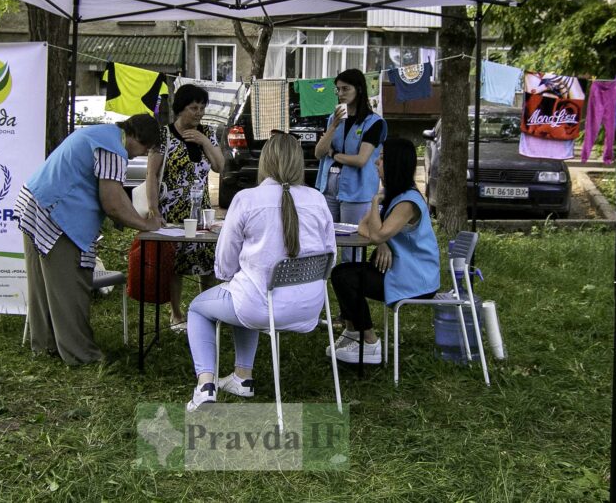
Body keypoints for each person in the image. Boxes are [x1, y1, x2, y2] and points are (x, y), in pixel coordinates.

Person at [185, 132, 335, 411]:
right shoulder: (317, 199)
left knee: (198, 308)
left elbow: (225, 264)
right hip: (309, 309)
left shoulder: (247, 199)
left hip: (259, 305)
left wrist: (234, 275)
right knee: (245, 291)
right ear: (299, 163)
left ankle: (206, 384)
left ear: (265, 161)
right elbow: (331, 257)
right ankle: (242, 377)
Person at [15, 114, 162, 366]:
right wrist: (145, 224)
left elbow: (112, 195)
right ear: (136, 137)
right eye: (144, 149)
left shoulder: (103, 134)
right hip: (56, 213)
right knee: (69, 287)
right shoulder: (113, 148)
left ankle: (45, 345)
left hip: (35, 202)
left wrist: (128, 216)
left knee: (43, 285)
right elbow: (113, 203)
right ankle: (82, 356)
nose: (138, 156)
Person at [327, 137, 439, 365]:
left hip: (416, 279)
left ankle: (368, 342)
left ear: (395, 163)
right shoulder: (395, 196)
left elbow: (376, 232)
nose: (376, 163)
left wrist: (375, 200)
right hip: (400, 271)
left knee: (345, 277)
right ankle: (353, 333)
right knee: (343, 273)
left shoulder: (407, 202)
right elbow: (363, 227)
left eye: (381, 159)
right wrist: (382, 243)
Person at [146, 83, 224, 332]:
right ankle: (176, 315)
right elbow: (151, 174)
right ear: (181, 109)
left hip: (200, 211)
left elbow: (219, 166)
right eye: (193, 108)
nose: (199, 112)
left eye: (202, 107)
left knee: (206, 262)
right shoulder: (164, 135)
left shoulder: (208, 132)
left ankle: (209, 313)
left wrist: (204, 142)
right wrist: (153, 210)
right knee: (175, 265)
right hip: (171, 210)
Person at [314, 68, 387, 261]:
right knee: (324, 242)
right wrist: (333, 126)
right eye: (337, 90)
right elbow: (319, 152)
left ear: (359, 89)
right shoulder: (333, 119)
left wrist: (335, 154)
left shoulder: (374, 123)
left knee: (352, 246)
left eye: (345, 89)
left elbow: (361, 160)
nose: (341, 94)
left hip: (357, 191)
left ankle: (350, 284)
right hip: (329, 187)